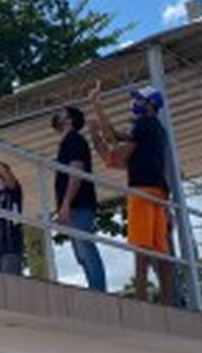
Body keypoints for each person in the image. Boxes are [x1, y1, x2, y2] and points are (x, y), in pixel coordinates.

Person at [88, 82, 173, 305]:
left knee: (141, 247)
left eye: (140, 100)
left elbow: (114, 137)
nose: (135, 104)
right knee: (160, 248)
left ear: (151, 105)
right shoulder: (157, 130)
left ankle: (142, 299)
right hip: (158, 191)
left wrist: (96, 106)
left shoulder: (143, 125)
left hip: (141, 189)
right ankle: (167, 300)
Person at [51, 106, 107, 292]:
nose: (57, 115)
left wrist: (65, 203)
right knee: (81, 252)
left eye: (62, 113)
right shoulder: (69, 141)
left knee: (85, 248)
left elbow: (76, 172)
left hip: (79, 205)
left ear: (69, 120)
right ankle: (96, 289)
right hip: (76, 205)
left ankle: (98, 291)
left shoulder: (74, 140)